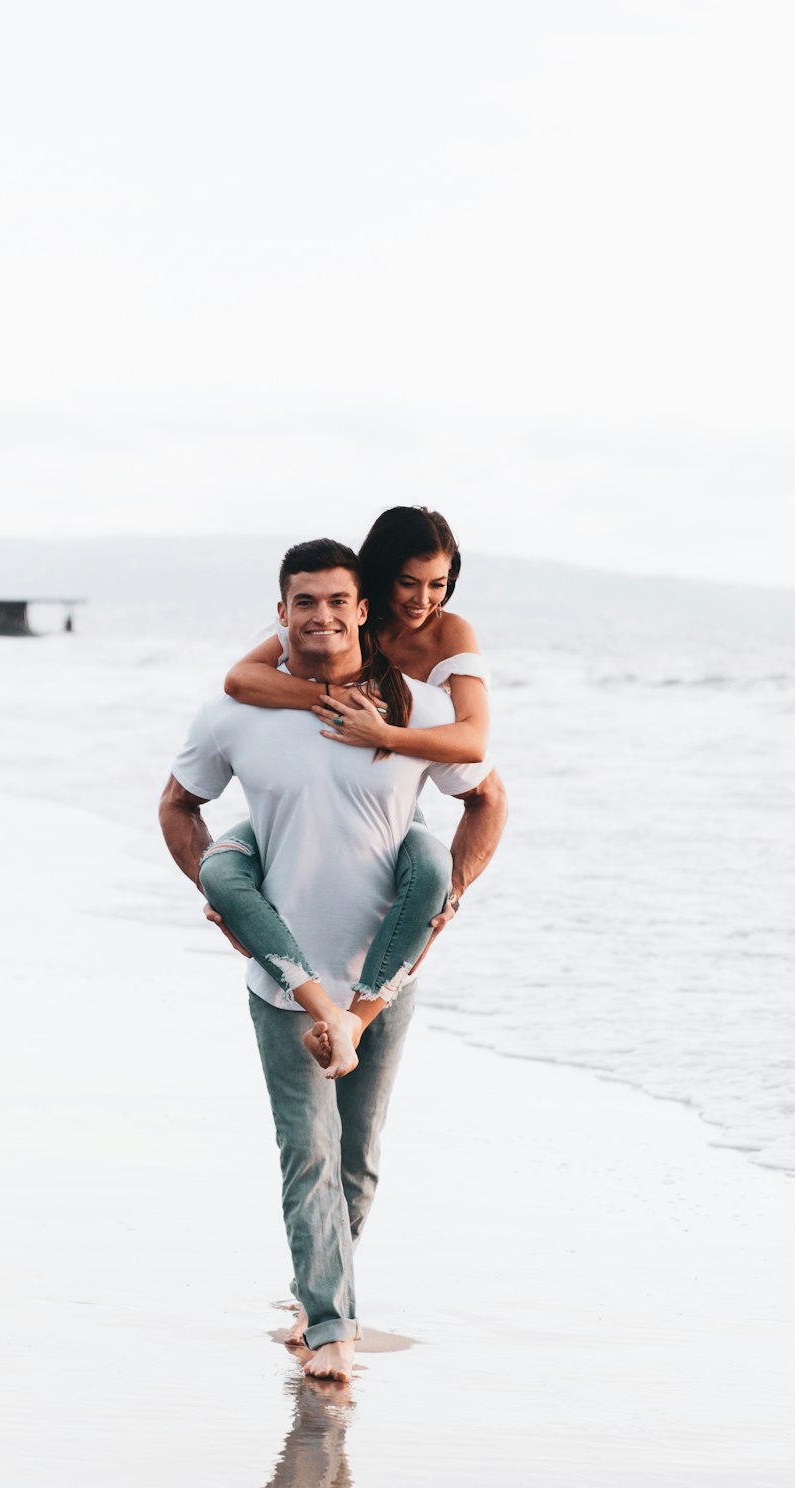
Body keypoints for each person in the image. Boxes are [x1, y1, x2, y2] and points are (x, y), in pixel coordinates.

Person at [159, 538, 507, 1381]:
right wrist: (218, 893)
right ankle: (328, 1327)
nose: (320, 616)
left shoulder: (415, 711)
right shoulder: (234, 715)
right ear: (281, 614)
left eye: (336, 602)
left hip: (382, 980)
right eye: (302, 602)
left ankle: (322, 1282)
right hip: (285, 982)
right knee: (305, 1153)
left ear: (362, 612)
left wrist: (450, 892)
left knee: (356, 1159)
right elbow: (178, 803)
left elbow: (487, 795)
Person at [200, 507, 489, 1077]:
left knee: (430, 870)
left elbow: (474, 740)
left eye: (438, 584)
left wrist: (383, 733)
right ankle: (292, 975)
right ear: (378, 578)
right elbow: (240, 681)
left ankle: (356, 1015)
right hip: (324, 781)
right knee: (223, 868)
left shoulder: (448, 632)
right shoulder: (338, 614)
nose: (422, 599)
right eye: (408, 582)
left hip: (393, 786)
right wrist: (333, 696)